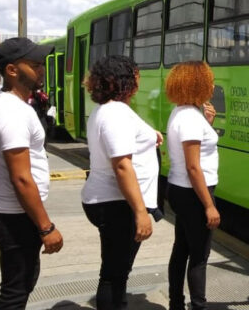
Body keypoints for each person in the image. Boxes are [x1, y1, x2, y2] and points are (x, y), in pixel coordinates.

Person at [0, 37, 63, 309]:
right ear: (12, 70)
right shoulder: (12, 111)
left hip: (13, 212)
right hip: (11, 215)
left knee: (23, 280)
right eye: (35, 64)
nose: (41, 69)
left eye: (42, 64)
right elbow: (21, 177)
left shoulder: (15, 106)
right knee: (16, 289)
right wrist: (46, 226)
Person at [81, 55, 163, 310]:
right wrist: (140, 213)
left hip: (112, 200)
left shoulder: (107, 110)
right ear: (125, 80)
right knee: (115, 273)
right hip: (116, 203)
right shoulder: (116, 113)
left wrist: (151, 137)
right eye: (136, 75)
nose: (139, 79)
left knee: (117, 270)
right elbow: (121, 165)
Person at [165, 61, 220, 310]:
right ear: (197, 84)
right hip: (194, 192)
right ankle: (199, 305)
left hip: (181, 189)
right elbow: (193, 166)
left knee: (182, 249)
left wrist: (206, 122)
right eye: (209, 80)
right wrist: (209, 205)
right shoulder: (190, 118)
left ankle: (176, 302)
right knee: (199, 256)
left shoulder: (183, 112)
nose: (213, 84)